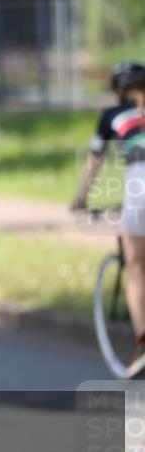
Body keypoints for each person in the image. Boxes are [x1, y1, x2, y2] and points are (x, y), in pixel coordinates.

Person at [73, 61, 145, 354]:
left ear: (118, 90)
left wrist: (81, 200)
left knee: (136, 267)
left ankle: (142, 343)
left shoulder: (111, 115)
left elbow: (95, 159)